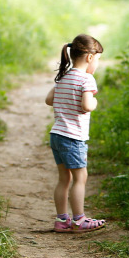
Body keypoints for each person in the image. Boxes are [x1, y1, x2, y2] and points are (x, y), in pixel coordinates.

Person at [45, 34, 106, 233]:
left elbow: (48, 99)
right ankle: (79, 220)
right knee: (80, 178)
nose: (97, 64)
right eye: (97, 59)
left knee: (64, 179)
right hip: (73, 137)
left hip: (57, 135)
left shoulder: (64, 76)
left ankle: (62, 220)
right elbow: (87, 105)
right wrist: (95, 102)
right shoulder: (87, 79)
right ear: (89, 57)